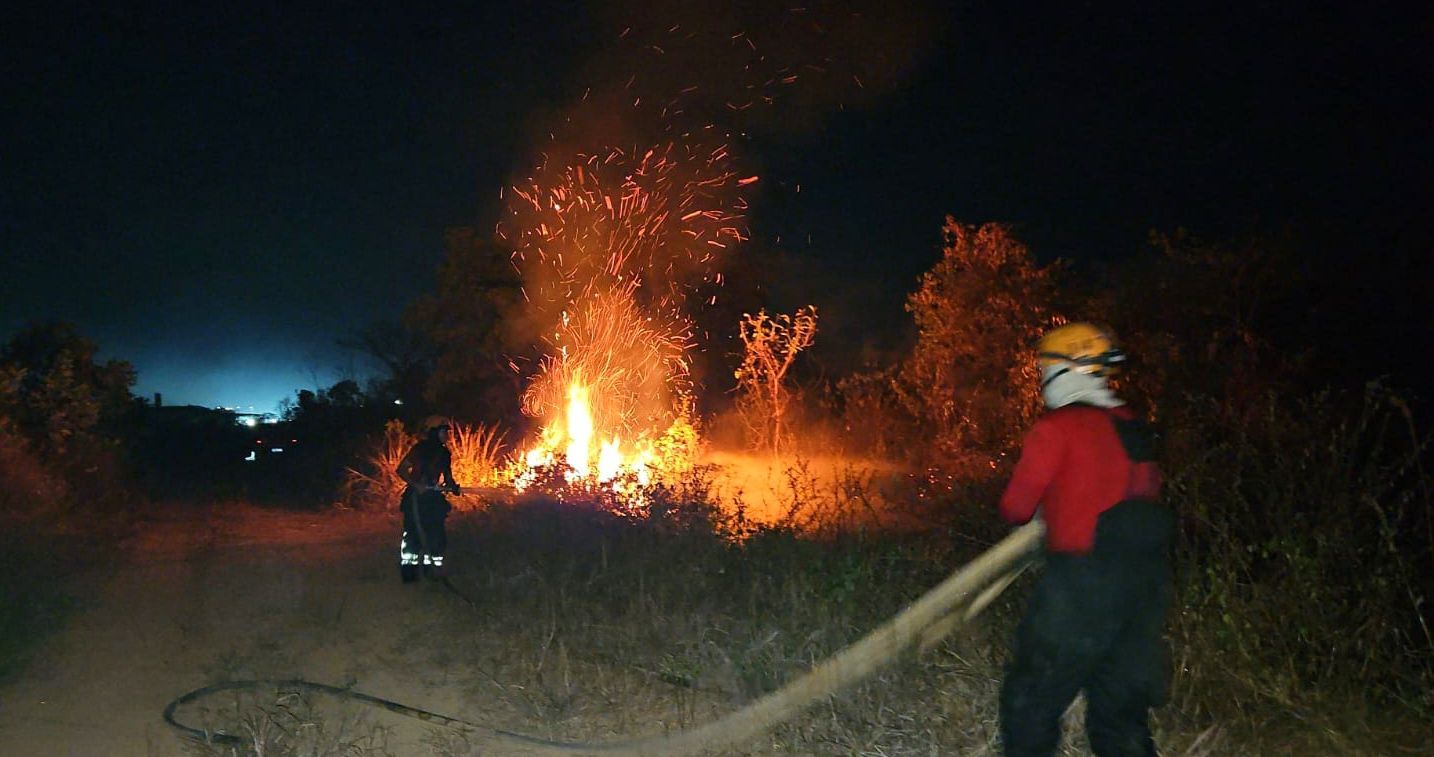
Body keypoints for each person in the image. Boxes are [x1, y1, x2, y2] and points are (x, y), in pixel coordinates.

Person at [997, 322, 1173, 757]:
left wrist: (1049, 510)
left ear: (1065, 371)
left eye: (1045, 370)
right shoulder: (1131, 424)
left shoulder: (1058, 427)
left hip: (1080, 591)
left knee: (1030, 701)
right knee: (1120, 717)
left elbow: (1015, 508)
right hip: (1142, 593)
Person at [396, 415, 461, 583]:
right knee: (413, 534)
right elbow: (401, 469)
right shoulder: (419, 450)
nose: (447, 435)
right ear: (433, 432)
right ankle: (409, 573)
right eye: (444, 431)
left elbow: (448, 478)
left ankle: (431, 571)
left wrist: (453, 487)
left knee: (436, 534)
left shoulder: (445, 454)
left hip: (433, 499)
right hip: (415, 499)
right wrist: (416, 484)